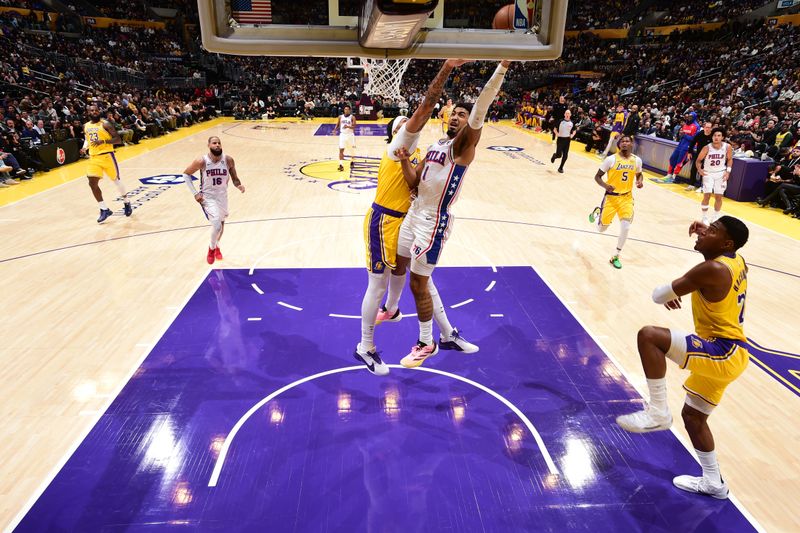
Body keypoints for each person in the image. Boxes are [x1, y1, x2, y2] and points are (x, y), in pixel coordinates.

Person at [354, 60, 476, 376]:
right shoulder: (398, 146)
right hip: (384, 221)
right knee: (378, 285)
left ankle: (443, 331)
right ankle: (365, 346)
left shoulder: (422, 154)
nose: (408, 124)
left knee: (421, 279)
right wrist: (447, 68)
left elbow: (416, 183)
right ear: (395, 134)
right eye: (402, 124)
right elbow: (424, 108)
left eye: (408, 122)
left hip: (411, 222)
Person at [616, 216, 750, 501]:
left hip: (722, 350)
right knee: (693, 416)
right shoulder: (736, 260)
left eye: (711, 231)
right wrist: (708, 237)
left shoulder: (711, 268)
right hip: (734, 353)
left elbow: (658, 294)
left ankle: (658, 412)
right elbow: (720, 252)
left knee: (649, 336)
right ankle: (714, 482)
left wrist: (672, 291)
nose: (702, 232)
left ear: (725, 243)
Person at [394, 61, 512, 368]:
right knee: (411, 271)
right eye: (454, 113)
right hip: (415, 213)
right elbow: (414, 183)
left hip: (434, 221)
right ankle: (447, 333)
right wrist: (406, 161)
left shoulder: (462, 148)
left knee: (418, 284)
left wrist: (502, 66)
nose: (458, 117)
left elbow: (481, 108)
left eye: (463, 114)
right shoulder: (436, 144)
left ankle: (426, 342)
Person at [182, 136, 245, 264]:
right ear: (209, 145)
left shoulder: (228, 160)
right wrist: (195, 193)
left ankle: (217, 246)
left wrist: (239, 185)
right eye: (214, 143)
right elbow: (186, 174)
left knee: (220, 227)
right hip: (207, 197)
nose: (217, 145)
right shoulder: (202, 161)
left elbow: (235, 178)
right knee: (216, 224)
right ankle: (211, 249)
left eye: (219, 143)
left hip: (222, 196)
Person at [588, 134, 643, 269]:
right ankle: (597, 213)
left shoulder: (637, 160)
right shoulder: (610, 160)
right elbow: (597, 177)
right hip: (611, 198)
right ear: (619, 144)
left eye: (627, 141)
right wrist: (606, 186)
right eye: (622, 141)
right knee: (601, 229)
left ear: (631, 144)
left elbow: (639, 173)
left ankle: (616, 255)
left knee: (626, 227)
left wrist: (640, 180)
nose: (625, 143)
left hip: (626, 198)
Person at [81, 104, 132, 223]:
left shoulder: (106, 124)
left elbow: (118, 139)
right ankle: (104, 209)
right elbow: (87, 138)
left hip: (107, 156)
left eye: (96, 110)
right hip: (94, 158)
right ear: (88, 112)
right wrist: (85, 147)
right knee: (92, 183)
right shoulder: (86, 126)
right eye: (91, 110)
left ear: (99, 111)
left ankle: (126, 201)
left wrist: (103, 141)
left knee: (116, 181)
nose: (94, 112)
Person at [695, 128, 733, 224]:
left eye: (719, 136)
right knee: (707, 195)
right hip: (708, 173)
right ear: (712, 137)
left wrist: (728, 171)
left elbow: (729, 159)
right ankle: (704, 217)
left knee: (719, 197)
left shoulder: (727, 147)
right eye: (714, 136)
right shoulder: (707, 148)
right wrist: (700, 170)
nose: (716, 137)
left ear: (722, 137)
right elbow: (698, 160)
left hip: (721, 173)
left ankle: (715, 217)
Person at [663, 111, 700, 182]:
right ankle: (669, 174)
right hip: (680, 145)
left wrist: (685, 135)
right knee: (672, 158)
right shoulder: (685, 125)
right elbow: (682, 135)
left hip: (687, 147)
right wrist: (680, 135)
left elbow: (695, 139)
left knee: (680, 161)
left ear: (694, 117)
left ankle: (674, 176)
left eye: (691, 117)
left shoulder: (696, 126)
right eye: (689, 116)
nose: (689, 118)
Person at [551, 109, 576, 173]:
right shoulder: (560, 121)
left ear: (570, 115)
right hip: (560, 139)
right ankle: (555, 155)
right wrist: (557, 134)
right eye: (566, 113)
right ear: (564, 114)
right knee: (559, 155)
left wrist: (572, 135)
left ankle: (561, 168)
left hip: (567, 140)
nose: (567, 115)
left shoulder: (572, 122)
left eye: (569, 113)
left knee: (565, 155)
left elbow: (574, 131)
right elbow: (554, 129)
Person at [332, 105, 357, 171]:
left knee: (351, 150)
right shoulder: (340, 117)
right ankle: (341, 165)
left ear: (350, 110)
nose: (346, 110)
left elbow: (354, 126)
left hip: (350, 135)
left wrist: (348, 126)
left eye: (347, 109)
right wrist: (335, 130)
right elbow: (337, 125)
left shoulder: (352, 117)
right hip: (342, 135)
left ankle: (352, 161)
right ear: (344, 110)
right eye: (345, 109)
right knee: (341, 150)